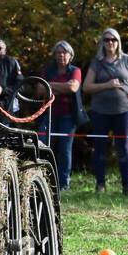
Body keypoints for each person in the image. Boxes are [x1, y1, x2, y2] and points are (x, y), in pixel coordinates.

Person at [82, 28, 128, 195]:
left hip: (123, 111)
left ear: (118, 42)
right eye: (107, 40)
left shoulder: (127, 60)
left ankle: (127, 186)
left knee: (123, 147)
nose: (110, 43)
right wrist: (106, 85)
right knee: (100, 148)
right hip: (100, 112)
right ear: (103, 42)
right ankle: (100, 185)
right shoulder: (96, 62)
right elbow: (86, 87)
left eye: (113, 39)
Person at [40, 41, 83, 191]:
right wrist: (61, 87)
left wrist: (50, 86)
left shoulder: (75, 71)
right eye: (58, 52)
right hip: (48, 114)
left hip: (68, 116)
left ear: (70, 56)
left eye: (64, 53)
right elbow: (39, 89)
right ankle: (42, 178)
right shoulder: (48, 70)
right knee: (42, 146)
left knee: (65, 149)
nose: (61, 55)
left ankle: (64, 183)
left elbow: (72, 87)